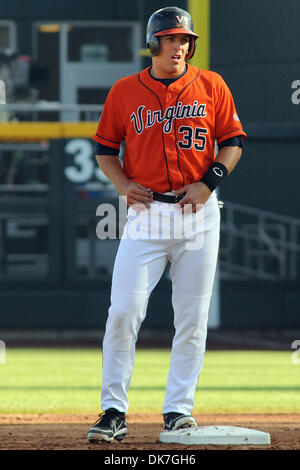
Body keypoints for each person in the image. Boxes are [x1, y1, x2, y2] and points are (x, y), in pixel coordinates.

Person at [87, 6, 247, 443]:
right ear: (153, 43)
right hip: (147, 215)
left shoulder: (212, 84)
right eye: (171, 38)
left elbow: (232, 143)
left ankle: (178, 410)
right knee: (123, 311)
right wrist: (123, 185)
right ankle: (113, 411)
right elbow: (104, 149)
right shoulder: (124, 91)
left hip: (199, 212)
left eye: (185, 40)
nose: (179, 46)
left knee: (192, 317)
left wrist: (209, 183)